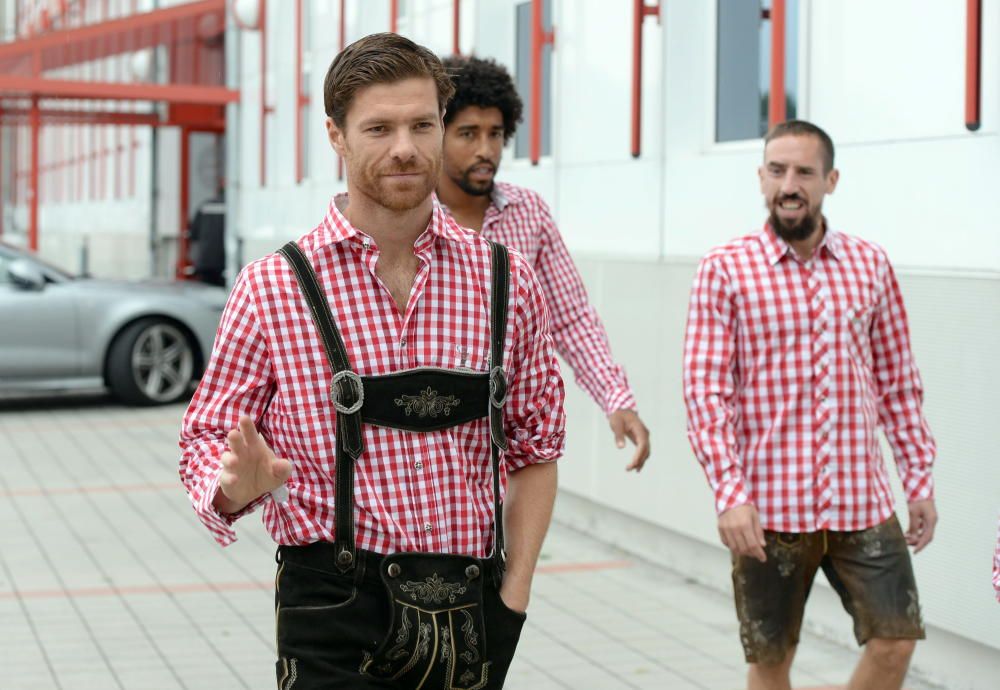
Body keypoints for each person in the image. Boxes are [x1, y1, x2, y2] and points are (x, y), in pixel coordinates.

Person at [179, 33, 565, 690]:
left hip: (470, 610)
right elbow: (205, 440)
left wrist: (515, 597)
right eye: (379, 128)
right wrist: (232, 487)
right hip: (329, 610)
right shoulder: (273, 286)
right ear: (336, 135)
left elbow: (536, 447)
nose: (406, 148)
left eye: (422, 124)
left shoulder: (508, 280)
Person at [682, 120, 937, 690]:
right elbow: (705, 393)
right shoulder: (725, 268)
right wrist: (730, 493)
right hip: (766, 513)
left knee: (896, 641)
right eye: (777, 171)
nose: (788, 184)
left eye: (803, 172)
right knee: (772, 662)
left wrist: (917, 480)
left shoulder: (871, 265)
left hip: (861, 501)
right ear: (761, 178)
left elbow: (898, 383)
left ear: (831, 180)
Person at [435, 55, 650, 472]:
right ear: (437, 135)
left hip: (516, 439)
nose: (485, 149)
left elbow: (570, 319)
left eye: (495, 134)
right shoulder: (412, 220)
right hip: (432, 442)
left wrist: (616, 399)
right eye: (468, 134)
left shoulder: (528, 212)